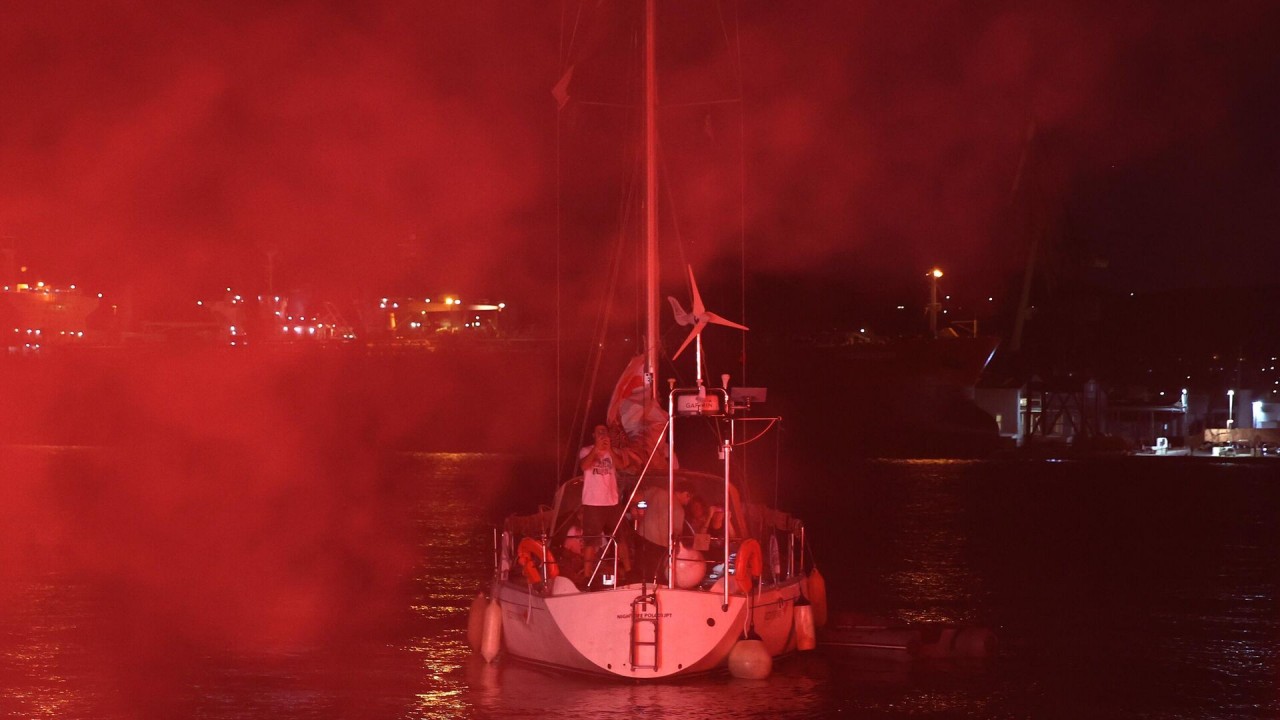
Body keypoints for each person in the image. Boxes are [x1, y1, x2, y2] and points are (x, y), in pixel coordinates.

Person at [578, 425, 621, 579]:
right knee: (591, 540)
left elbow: (622, 465)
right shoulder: (586, 450)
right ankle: (587, 574)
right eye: (599, 432)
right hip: (593, 502)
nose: (603, 434)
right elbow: (584, 465)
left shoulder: (611, 452)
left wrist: (609, 451)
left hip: (612, 501)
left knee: (621, 536)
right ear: (593, 435)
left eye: (604, 431)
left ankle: (629, 572)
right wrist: (596, 449)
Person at [633, 479, 694, 583]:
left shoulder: (657, 492)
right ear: (685, 493)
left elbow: (635, 497)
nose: (688, 502)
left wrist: (635, 509)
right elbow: (677, 534)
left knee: (640, 571)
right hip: (660, 546)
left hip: (642, 538)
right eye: (689, 498)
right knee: (656, 576)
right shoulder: (679, 510)